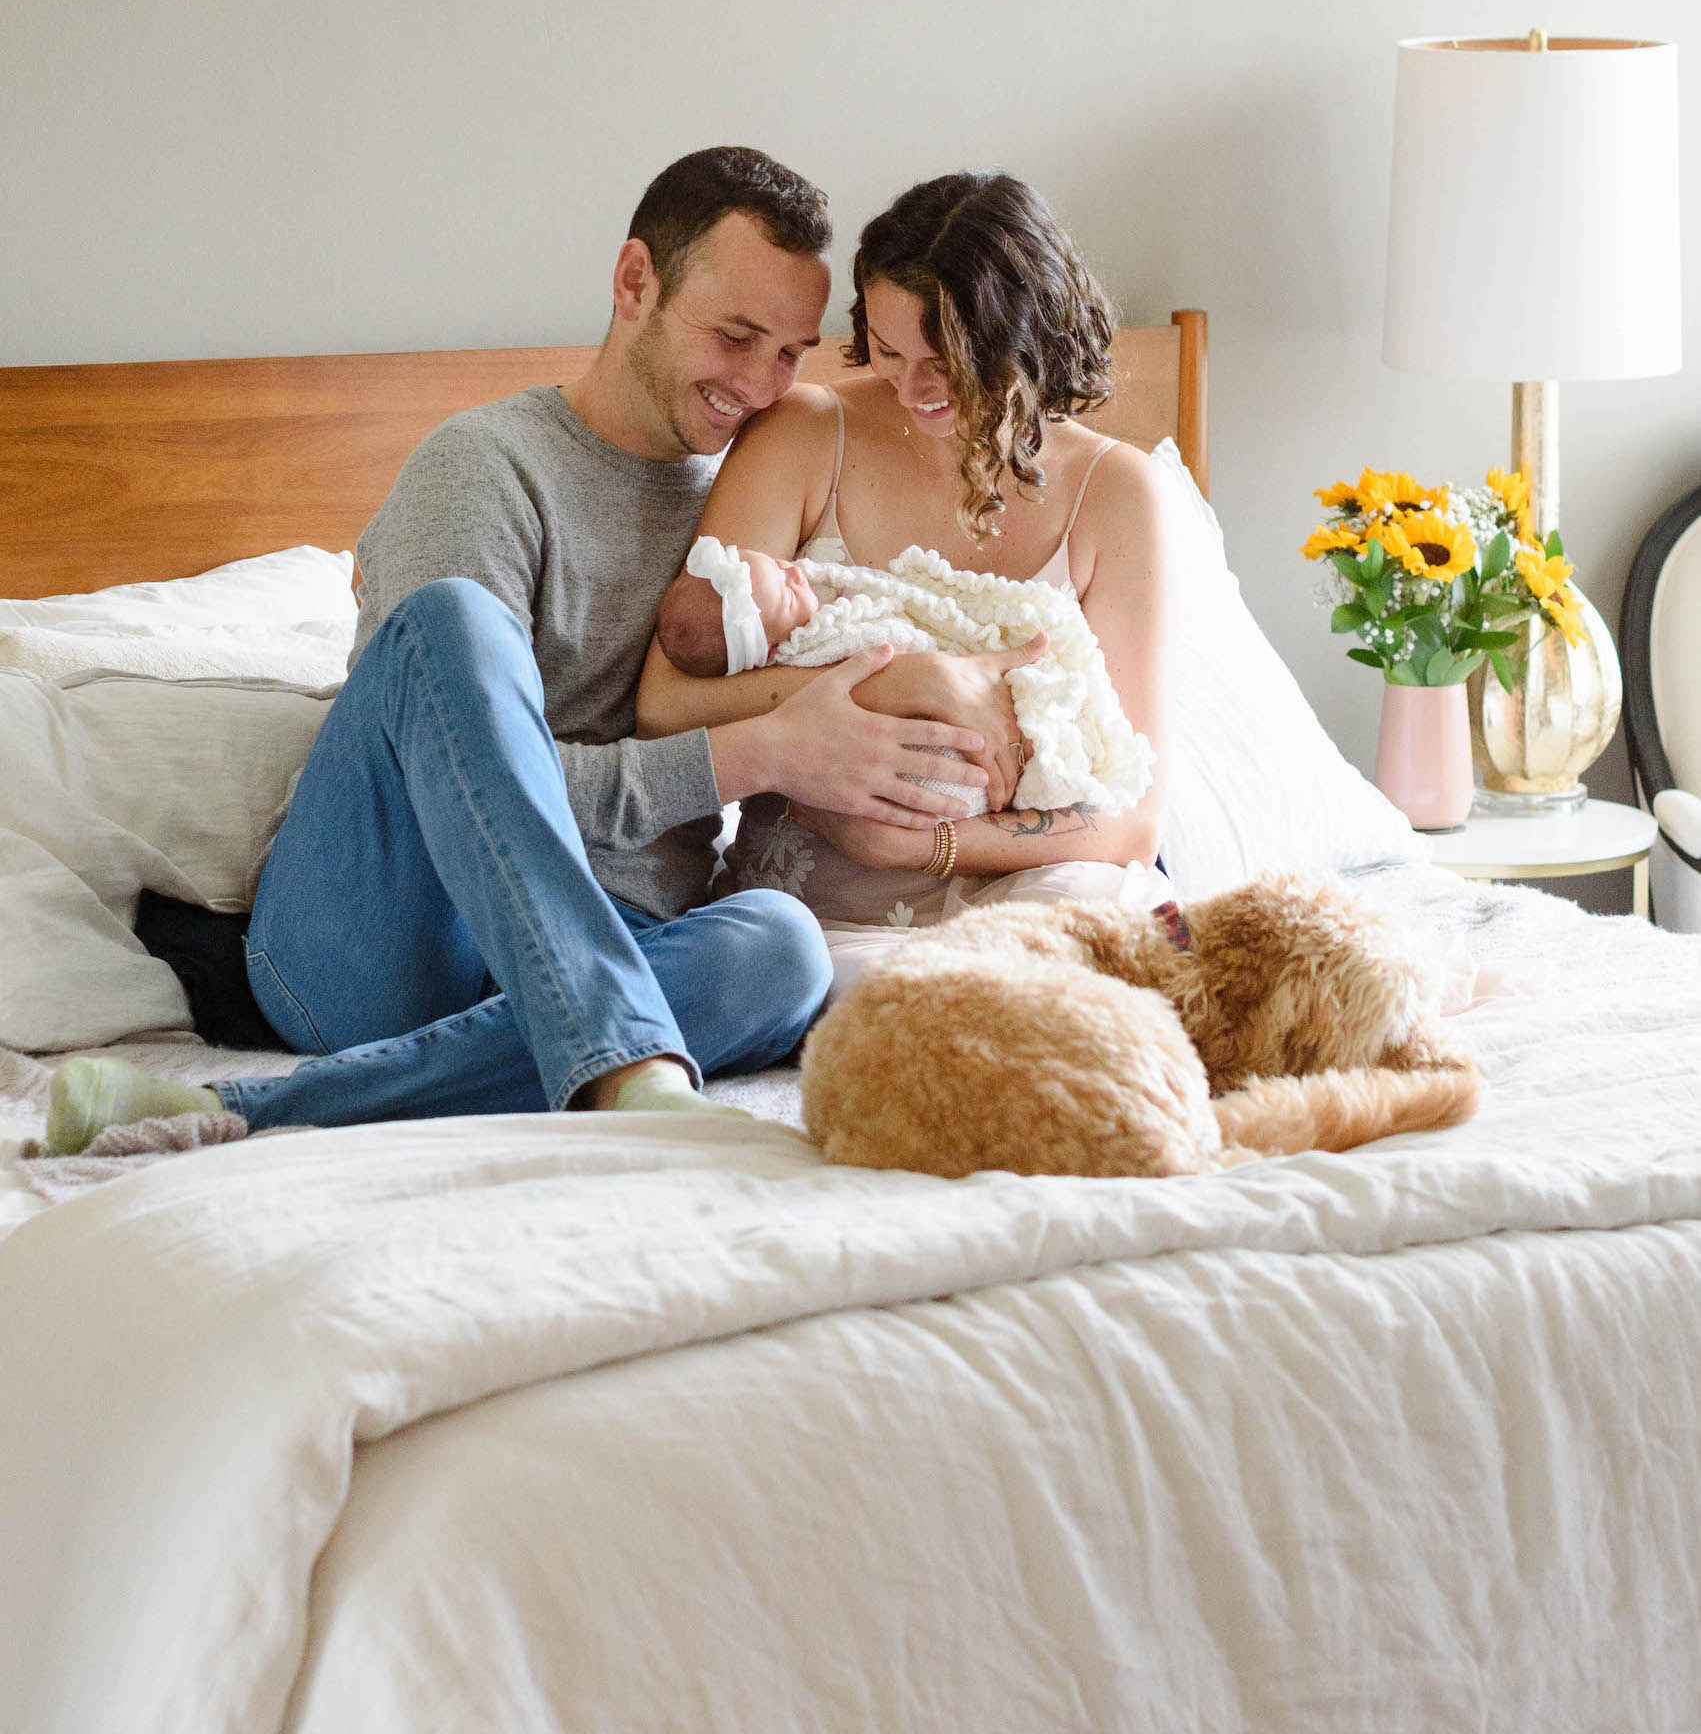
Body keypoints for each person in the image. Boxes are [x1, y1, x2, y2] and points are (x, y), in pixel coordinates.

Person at [45, 147, 1014, 1158]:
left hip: (613, 947)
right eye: (734, 335)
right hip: (392, 940)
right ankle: (627, 1061)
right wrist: (760, 753)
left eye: (789, 354)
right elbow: (458, 785)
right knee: (452, 622)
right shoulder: (483, 468)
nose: (759, 385)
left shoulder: (752, 504)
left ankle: (271, 1108)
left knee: (780, 948)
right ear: (634, 282)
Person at [635, 171, 1171, 974]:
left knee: (1133, 946)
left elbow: (1132, 820)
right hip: (814, 918)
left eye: (948, 362)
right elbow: (665, 704)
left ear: (1028, 337)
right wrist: (906, 680)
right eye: (889, 351)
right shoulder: (806, 434)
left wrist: (927, 844)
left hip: (1035, 887)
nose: (914, 389)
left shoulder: (1116, 491)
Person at [656, 532, 1155, 818]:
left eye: (783, 565)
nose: (797, 574)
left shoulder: (814, 594)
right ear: (764, 654)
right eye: (787, 593)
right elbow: (897, 647)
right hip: (917, 761)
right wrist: (918, 674)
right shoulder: (809, 650)